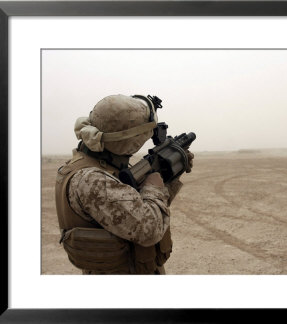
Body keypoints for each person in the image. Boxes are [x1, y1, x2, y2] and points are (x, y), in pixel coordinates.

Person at [55, 94, 194, 274]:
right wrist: (153, 187)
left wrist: (172, 174)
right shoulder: (92, 180)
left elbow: (139, 207)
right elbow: (149, 229)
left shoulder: (98, 166)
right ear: (127, 140)